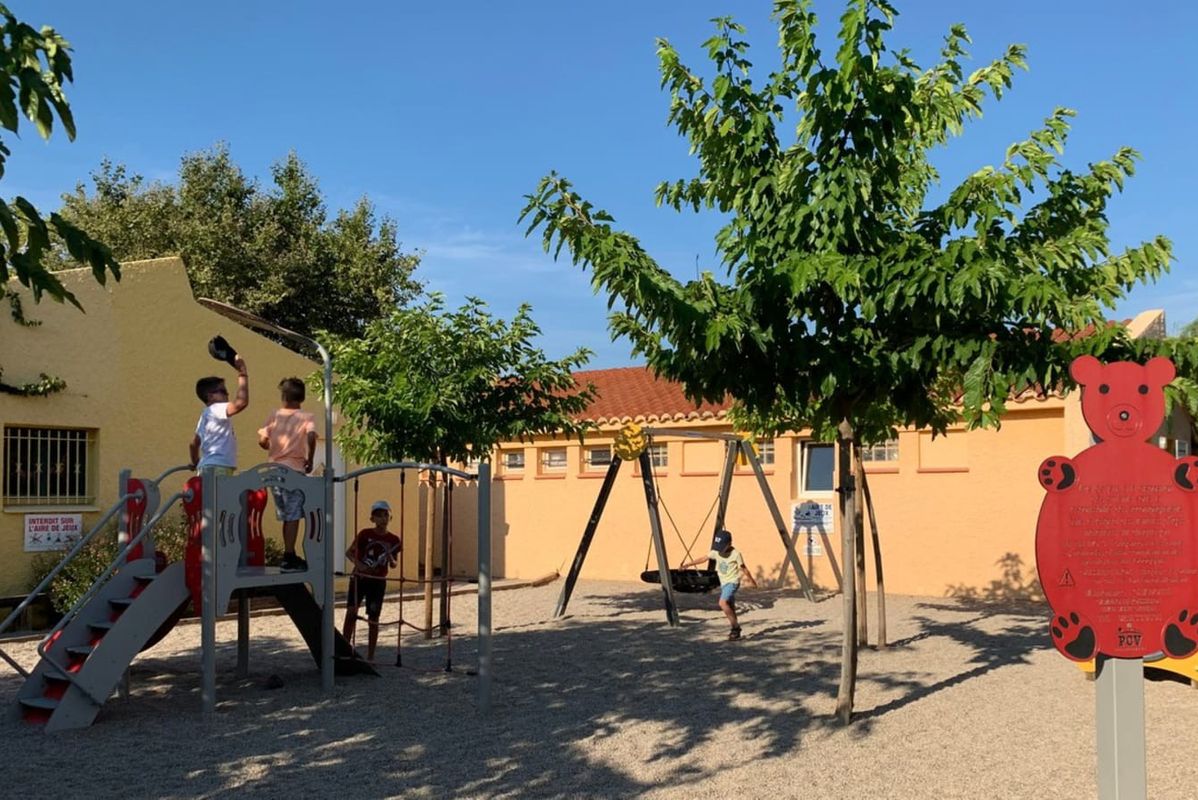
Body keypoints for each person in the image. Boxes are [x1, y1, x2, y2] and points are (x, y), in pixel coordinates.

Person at [257, 377, 317, 572]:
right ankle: (289, 555)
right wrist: (310, 458)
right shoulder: (306, 417)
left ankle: (288, 553)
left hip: (274, 471)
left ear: (283, 396)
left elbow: (262, 440)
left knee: (286, 515)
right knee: (293, 515)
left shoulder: (274, 415)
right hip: (294, 471)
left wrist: (268, 444)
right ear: (302, 397)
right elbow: (310, 435)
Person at [342, 500, 401, 662]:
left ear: (390, 518)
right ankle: (344, 649)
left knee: (373, 619)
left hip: (377, 581)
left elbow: (394, 564)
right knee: (351, 612)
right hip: (359, 578)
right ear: (372, 518)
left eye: (385, 515)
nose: (383, 518)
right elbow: (349, 552)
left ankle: (370, 656)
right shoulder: (364, 534)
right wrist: (360, 566)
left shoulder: (394, 540)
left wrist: (390, 557)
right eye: (379, 515)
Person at [680, 528, 758, 640]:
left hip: (733, 582)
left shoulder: (736, 554)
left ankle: (736, 627)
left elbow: (744, 568)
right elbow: (704, 558)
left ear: (729, 543)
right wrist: (688, 564)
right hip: (724, 583)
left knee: (722, 603)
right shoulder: (716, 552)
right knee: (730, 607)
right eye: (718, 547)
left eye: (722, 547)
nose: (719, 550)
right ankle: (735, 630)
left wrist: (752, 581)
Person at [189, 354, 249, 475]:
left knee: (208, 494)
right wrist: (243, 373)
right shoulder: (216, 408)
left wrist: (196, 463)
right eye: (223, 391)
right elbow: (241, 403)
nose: (227, 395)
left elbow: (193, 444)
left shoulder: (206, 415)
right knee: (220, 494)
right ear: (210, 396)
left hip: (206, 467)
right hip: (219, 467)